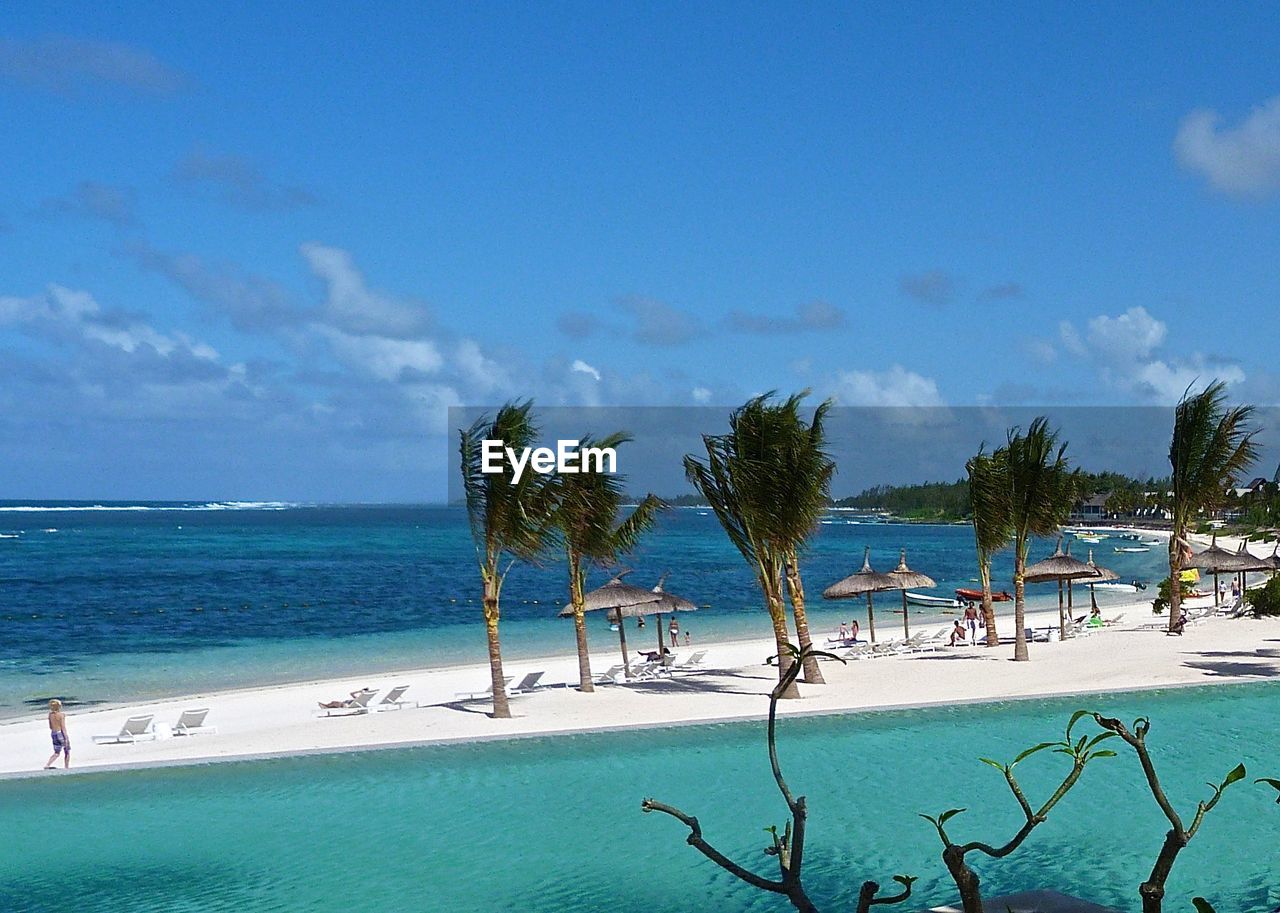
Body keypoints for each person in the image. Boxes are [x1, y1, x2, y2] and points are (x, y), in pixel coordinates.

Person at [44, 699, 70, 770]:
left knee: (56, 752)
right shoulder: (61, 715)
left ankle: (47, 765)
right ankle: (66, 767)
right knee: (67, 750)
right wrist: (66, 738)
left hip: (53, 733)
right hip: (60, 733)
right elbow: (63, 727)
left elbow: (50, 727)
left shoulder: (50, 715)